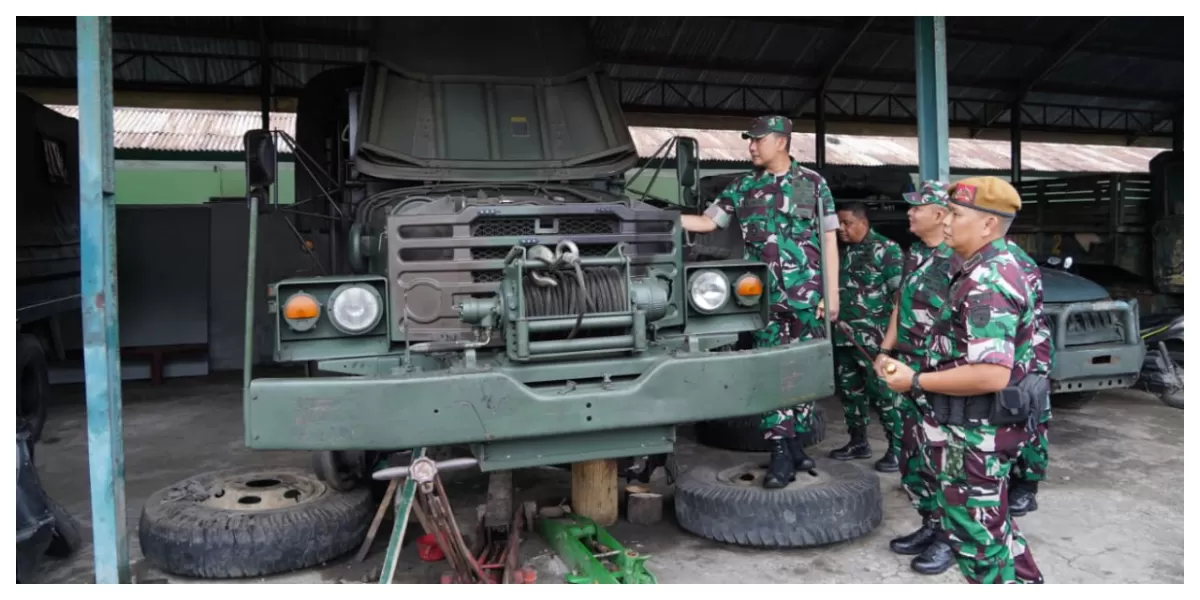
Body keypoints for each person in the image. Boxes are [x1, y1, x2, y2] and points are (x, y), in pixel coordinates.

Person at [880, 176, 1045, 584]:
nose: (947, 221)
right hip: (967, 429)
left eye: (956, 214)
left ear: (987, 225)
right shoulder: (976, 268)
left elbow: (991, 372)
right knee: (992, 532)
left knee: (977, 541)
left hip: (977, 434)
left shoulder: (989, 281)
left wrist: (916, 381)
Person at [680, 115, 840, 489]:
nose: (751, 146)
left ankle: (796, 443)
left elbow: (830, 238)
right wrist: (664, 219)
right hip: (764, 300)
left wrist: (832, 293)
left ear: (781, 141)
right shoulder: (743, 186)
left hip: (808, 295)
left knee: (805, 370)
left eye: (758, 140)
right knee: (774, 373)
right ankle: (780, 452)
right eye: (749, 141)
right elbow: (708, 223)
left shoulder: (813, 184)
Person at [874, 180, 960, 575]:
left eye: (916, 207)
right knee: (917, 453)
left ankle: (951, 537)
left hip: (942, 374)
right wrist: (886, 349)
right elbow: (900, 303)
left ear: (940, 214)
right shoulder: (916, 254)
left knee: (948, 458)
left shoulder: (959, 259)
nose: (908, 213)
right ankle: (931, 524)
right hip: (909, 370)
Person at [828, 202, 904, 473]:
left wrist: (890, 343)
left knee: (884, 394)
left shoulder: (886, 249)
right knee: (850, 393)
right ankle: (858, 441)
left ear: (863, 221)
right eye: (839, 224)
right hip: (844, 335)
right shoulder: (839, 252)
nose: (841, 230)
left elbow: (899, 299)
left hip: (875, 340)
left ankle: (898, 449)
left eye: (847, 223)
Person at [1006, 240, 1054, 516]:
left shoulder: (1013, 260)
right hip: (1000, 349)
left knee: (1031, 417)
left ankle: (1027, 485)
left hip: (1027, 351)